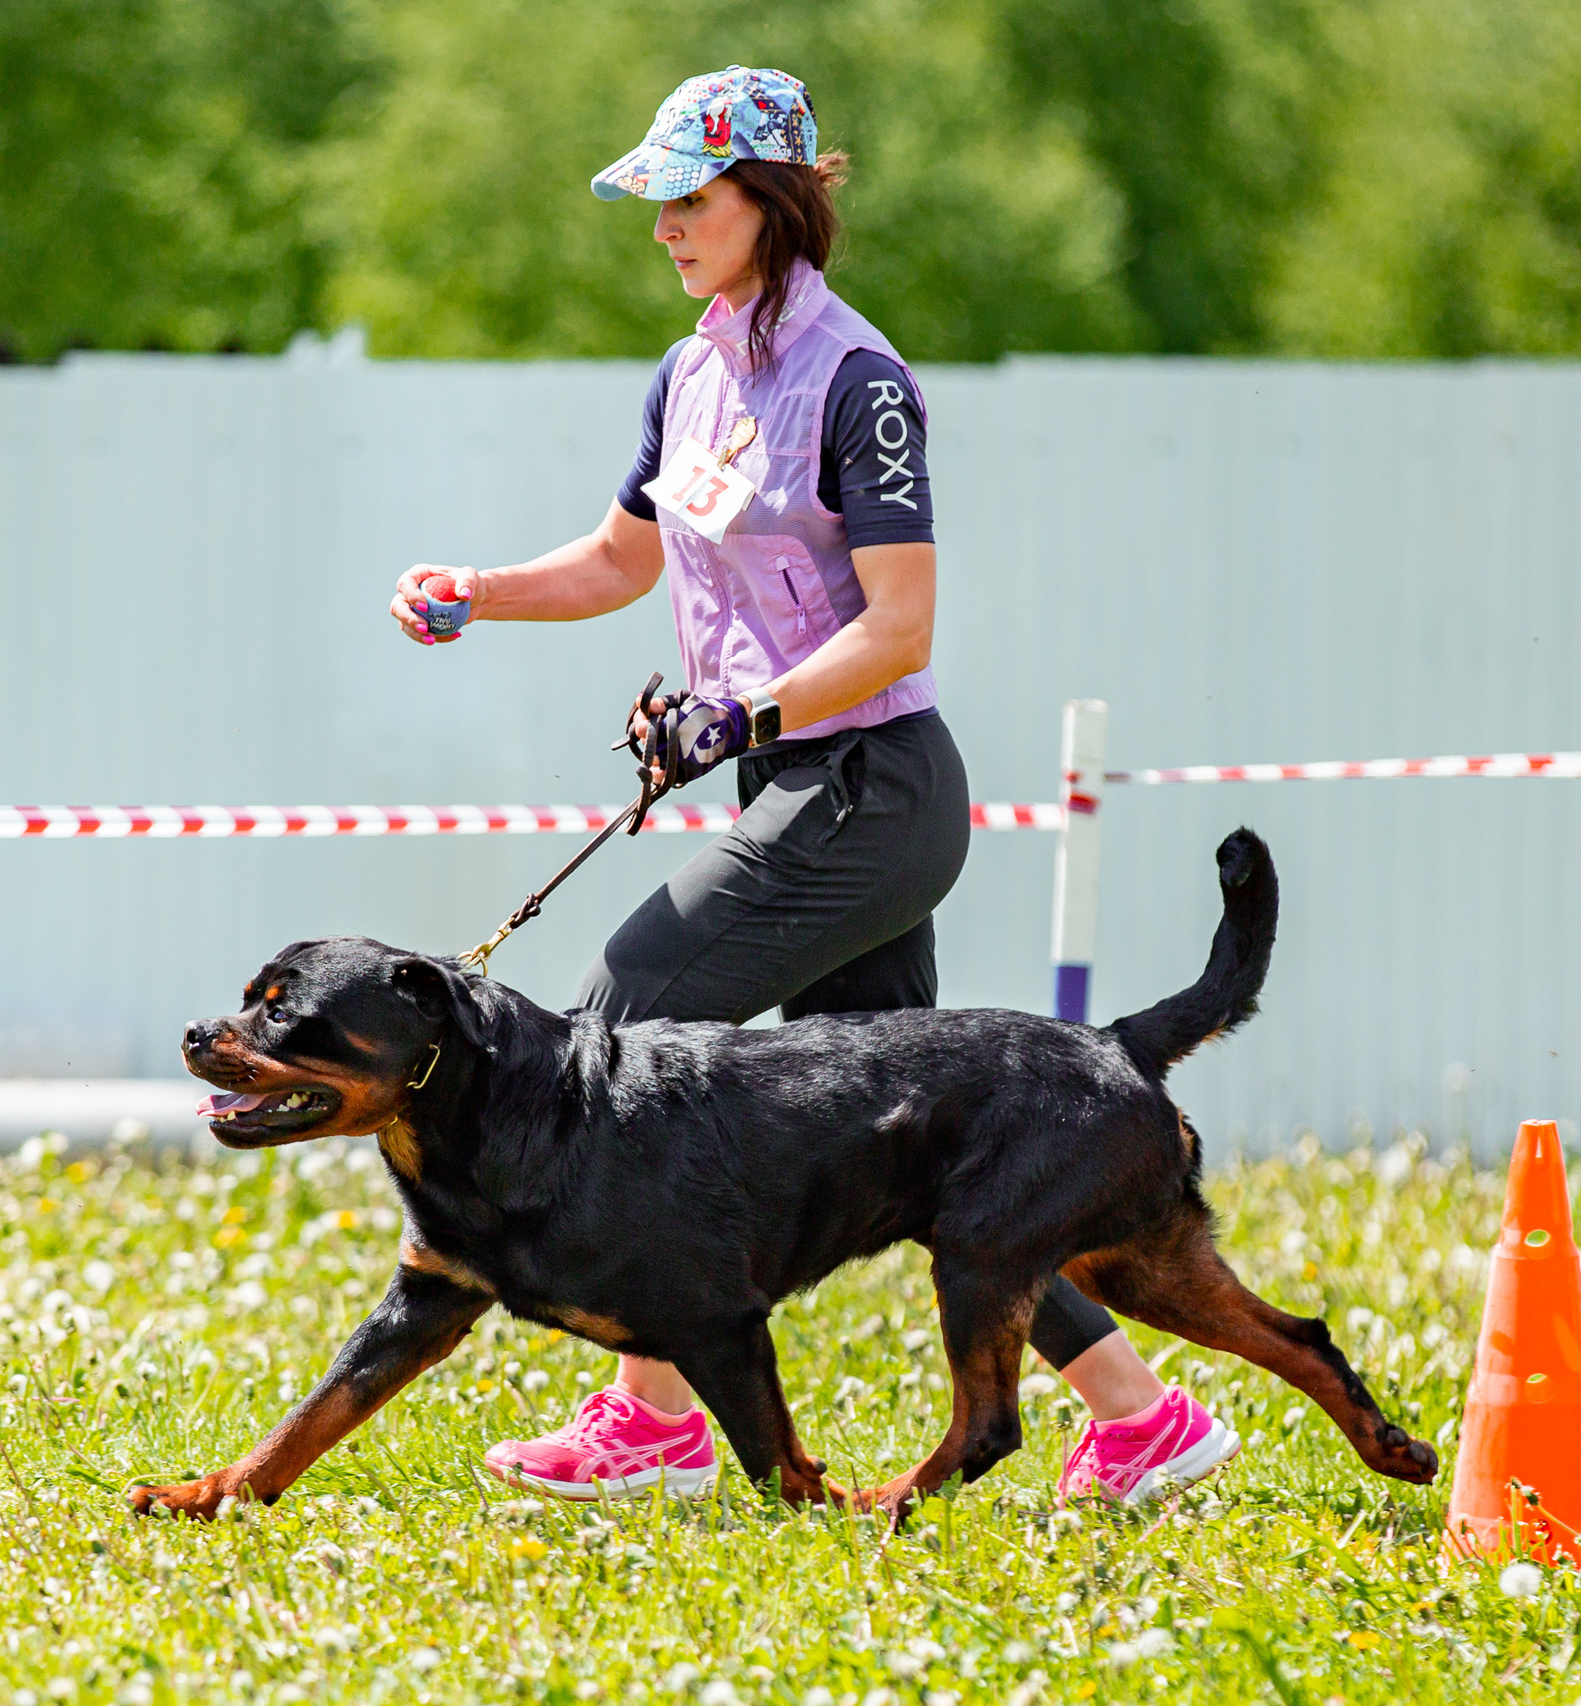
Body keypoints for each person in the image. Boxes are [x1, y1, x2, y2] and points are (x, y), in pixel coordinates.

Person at [387, 66, 1239, 1508]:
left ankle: (649, 1417)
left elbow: (900, 628)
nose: (663, 226)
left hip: (873, 789)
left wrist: (736, 710)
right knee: (920, 1150)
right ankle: (1142, 1417)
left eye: (690, 198)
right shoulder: (693, 370)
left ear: (770, 202)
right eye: (654, 202)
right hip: (788, 778)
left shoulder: (862, 381)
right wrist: (477, 590)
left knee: (620, 1014)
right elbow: (620, 561)